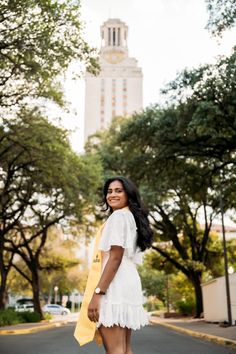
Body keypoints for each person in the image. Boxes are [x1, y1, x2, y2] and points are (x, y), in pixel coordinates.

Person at [87, 176, 153, 354]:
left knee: (115, 350)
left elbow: (115, 258)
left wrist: (97, 293)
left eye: (118, 190)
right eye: (109, 191)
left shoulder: (117, 217)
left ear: (128, 194)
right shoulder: (130, 217)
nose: (112, 194)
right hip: (128, 282)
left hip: (114, 286)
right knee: (124, 349)